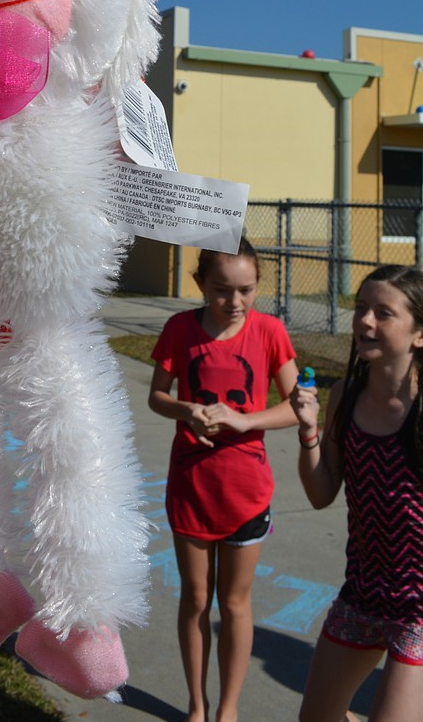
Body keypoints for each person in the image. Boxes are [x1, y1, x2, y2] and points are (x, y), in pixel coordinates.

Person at [148, 238, 298, 722]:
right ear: (200, 285)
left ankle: (228, 708)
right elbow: (157, 396)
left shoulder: (270, 330)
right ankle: (197, 704)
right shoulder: (179, 329)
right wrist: (186, 410)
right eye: (221, 291)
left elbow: (295, 406)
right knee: (195, 598)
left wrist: (243, 420)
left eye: (246, 291)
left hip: (247, 492)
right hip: (192, 486)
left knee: (235, 602)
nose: (234, 303)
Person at [290, 265, 423, 722]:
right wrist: (308, 432)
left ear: (419, 334)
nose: (365, 321)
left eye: (383, 313)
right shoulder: (346, 396)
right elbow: (322, 492)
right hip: (363, 594)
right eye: (361, 308)